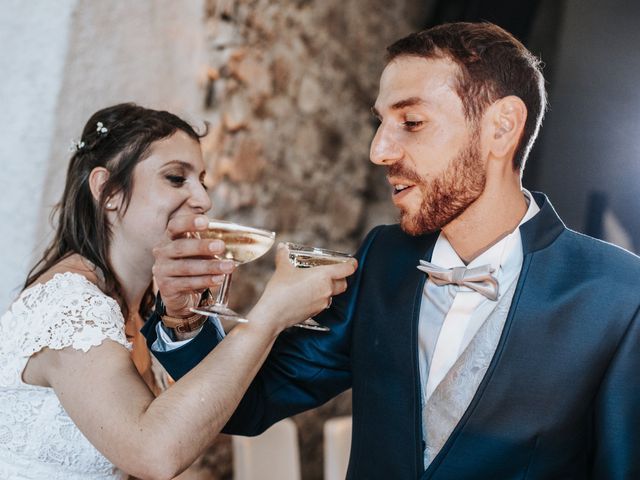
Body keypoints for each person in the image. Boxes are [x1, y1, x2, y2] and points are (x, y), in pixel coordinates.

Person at [144, 23, 640, 479]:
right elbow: (251, 402)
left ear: (502, 127)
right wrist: (185, 321)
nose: (379, 150)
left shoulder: (618, 295)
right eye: (381, 122)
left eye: (412, 121)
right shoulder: (383, 258)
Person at [0, 103, 357, 479]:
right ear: (107, 192)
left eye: (202, 180)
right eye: (175, 178)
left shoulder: (142, 308)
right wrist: (270, 315)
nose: (202, 199)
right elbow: (154, 454)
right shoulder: (70, 306)